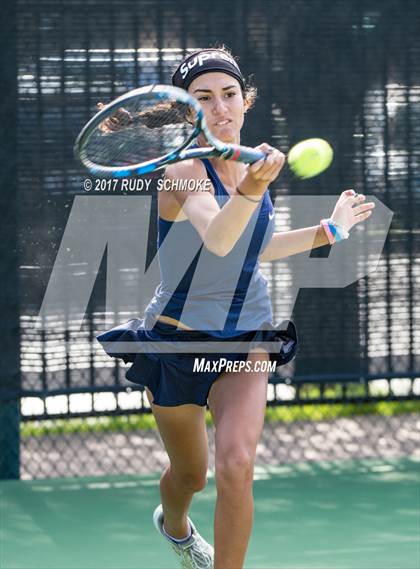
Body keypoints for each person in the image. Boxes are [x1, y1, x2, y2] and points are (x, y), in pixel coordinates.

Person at [97, 47, 375, 569]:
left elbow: (256, 245)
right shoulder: (182, 175)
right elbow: (220, 239)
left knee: (236, 466)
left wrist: (329, 230)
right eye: (204, 99)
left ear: (245, 103)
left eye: (229, 95)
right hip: (176, 342)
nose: (220, 109)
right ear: (188, 113)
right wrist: (253, 186)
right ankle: (176, 526)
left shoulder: (250, 168)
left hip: (245, 340)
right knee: (191, 476)